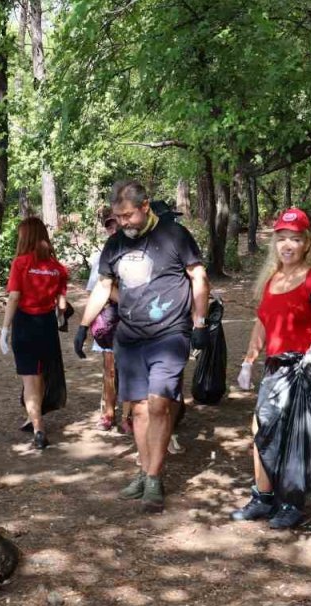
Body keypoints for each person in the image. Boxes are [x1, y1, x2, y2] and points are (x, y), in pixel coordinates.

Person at [75, 180, 210, 513]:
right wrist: (82, 326)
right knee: (137, 410)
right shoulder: (115, 246)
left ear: (145, 206)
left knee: (159, 403)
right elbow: (104, 287)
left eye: (128, 215)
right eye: (117, 217)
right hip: (130, 338)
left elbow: (199, 276)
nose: (123, 223)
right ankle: (144, 470)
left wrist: (200, 323)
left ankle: (153, 477)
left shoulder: (174, 236)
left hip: (169, 334)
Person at [233, 208, 311, 529]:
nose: (287, 245)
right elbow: (262, 323)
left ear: (305, 243)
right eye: (282, 238)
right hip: (275, 368)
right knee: (261, 429)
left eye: (294, 239)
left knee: (294, 433)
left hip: (304, 367)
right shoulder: (271, 281)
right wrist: (248, 360)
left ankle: (291, 503)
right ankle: (263, 497)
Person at [0, 218, 68, 450]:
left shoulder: (21, 263)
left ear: (25, 236)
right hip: (47, 325)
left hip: (25, 324)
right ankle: (33, 416)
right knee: (40, 373)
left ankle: (38, 429)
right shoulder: (57, 267)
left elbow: (14, 297)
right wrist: (59, 317)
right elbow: (61, 302)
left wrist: (4, 329)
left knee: (30, 377)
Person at [85, 208, 132, 434]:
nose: (112, 228)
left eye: (115, 223)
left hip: (135, 320)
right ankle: (108, 413)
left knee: (132, 368)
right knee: (110, 369)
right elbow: (96, 288)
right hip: (111, 319)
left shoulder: (136, 250)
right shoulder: (102, 255)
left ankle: (129, 416)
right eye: (108, 225)